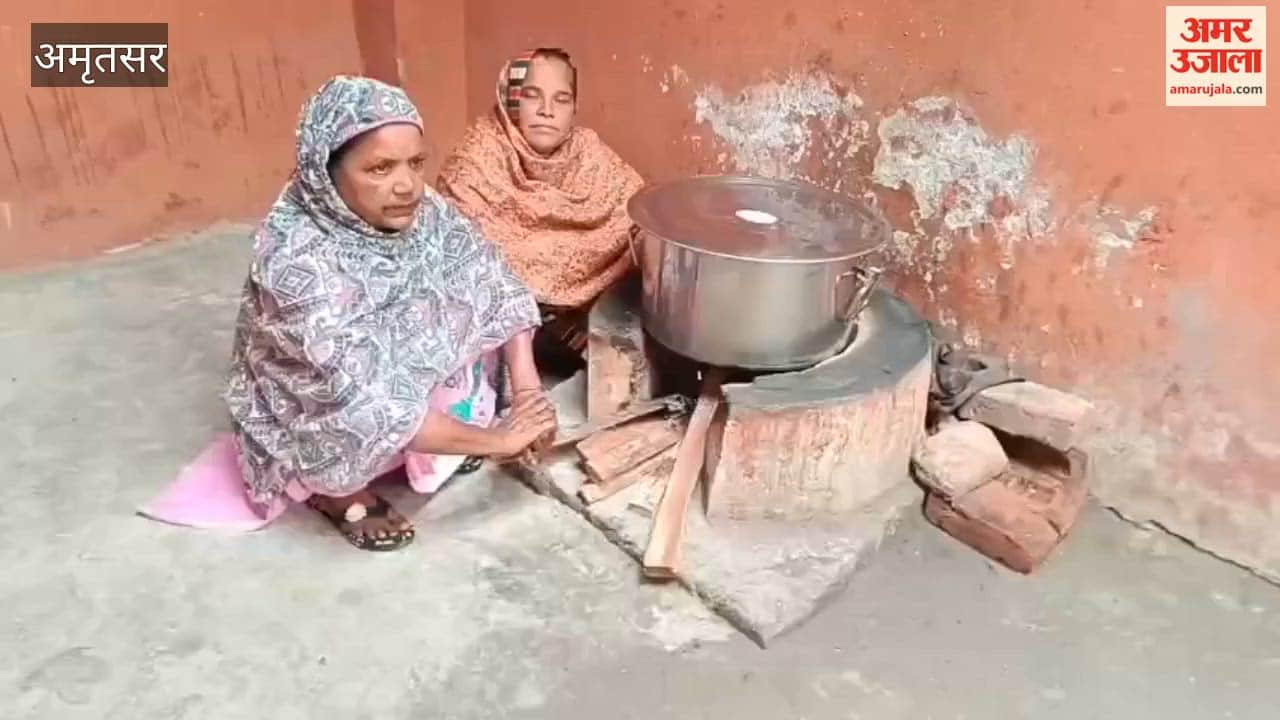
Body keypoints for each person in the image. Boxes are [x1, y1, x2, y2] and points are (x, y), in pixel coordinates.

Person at [221, 75, 558, 551]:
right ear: (326, 173)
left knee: (468, 289)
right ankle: (337, 492)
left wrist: (525, 392)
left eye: (415, 163)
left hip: (394, 374)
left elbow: (494, 283)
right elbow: (364, 399)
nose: (406, 186)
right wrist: (500, 441)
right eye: (378, 169)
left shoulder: (422, 209)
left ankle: (445, 434)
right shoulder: (296, 260)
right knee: (356, 408)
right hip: (320, 399)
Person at [437, 48, 644, 367]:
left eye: (561, 99)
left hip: (577, 322)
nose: (547, 111)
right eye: (533, 96)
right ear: (511, 99)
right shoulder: (475, 158)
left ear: (574, 107)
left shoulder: (586, 150)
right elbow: (462, 248)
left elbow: (640, 211)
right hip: (496, 330)